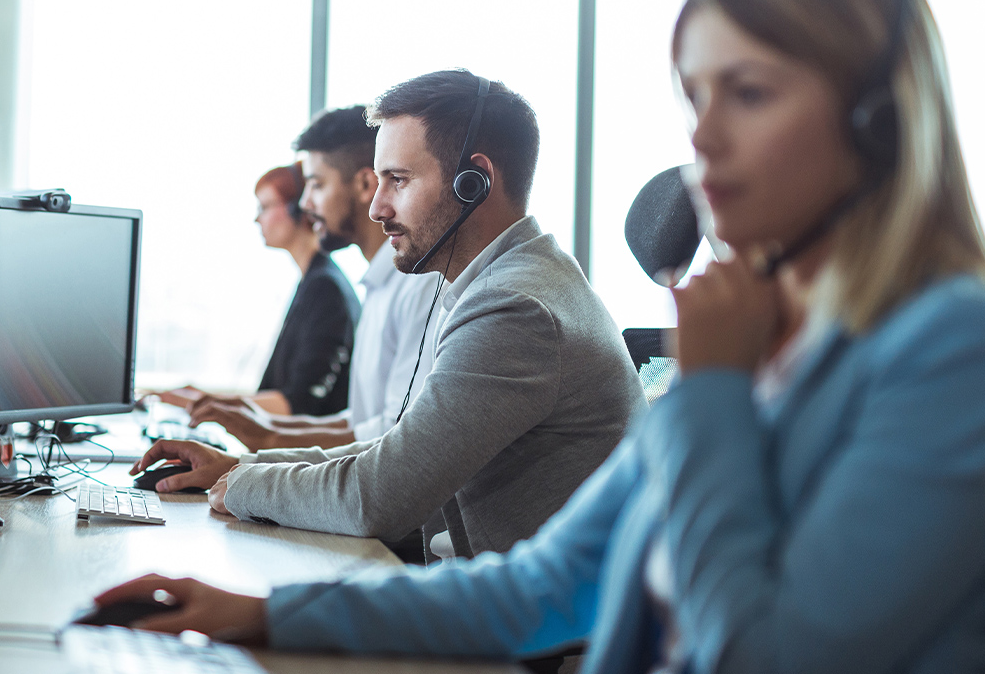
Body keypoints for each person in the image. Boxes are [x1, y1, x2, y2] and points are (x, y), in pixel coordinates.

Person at [95, 0, 985, 674]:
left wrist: (712, 394)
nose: (702, 139)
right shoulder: (765, 348)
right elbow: (544, 588)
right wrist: (257, 614)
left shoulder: (955, 349)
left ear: (877, 126)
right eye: (694, 98)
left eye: (748, 94)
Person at [133, 72, 644, 561]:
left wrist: (241, 484)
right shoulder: (518, 280)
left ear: (476, 182)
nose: (377, 208)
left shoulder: (514, 309)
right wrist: (242, 464)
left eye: (397, 180)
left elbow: (378, 497)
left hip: (529, 637)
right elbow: (396, 453)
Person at [184, 106, 444, 451]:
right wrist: (258, 425)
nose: (305, 204)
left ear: (365, 184)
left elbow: (392, 437)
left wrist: (262, 447)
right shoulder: (378, 286)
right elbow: (360, 422)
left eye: (317, 185)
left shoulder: (417, 286)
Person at [156, 164, 359, 417]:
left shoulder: (325, 289)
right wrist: (201, 397)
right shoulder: (311, 282)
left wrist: (203, 402)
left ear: (299, 209)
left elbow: (297, 403)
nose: (256, 218)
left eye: (264, 207)